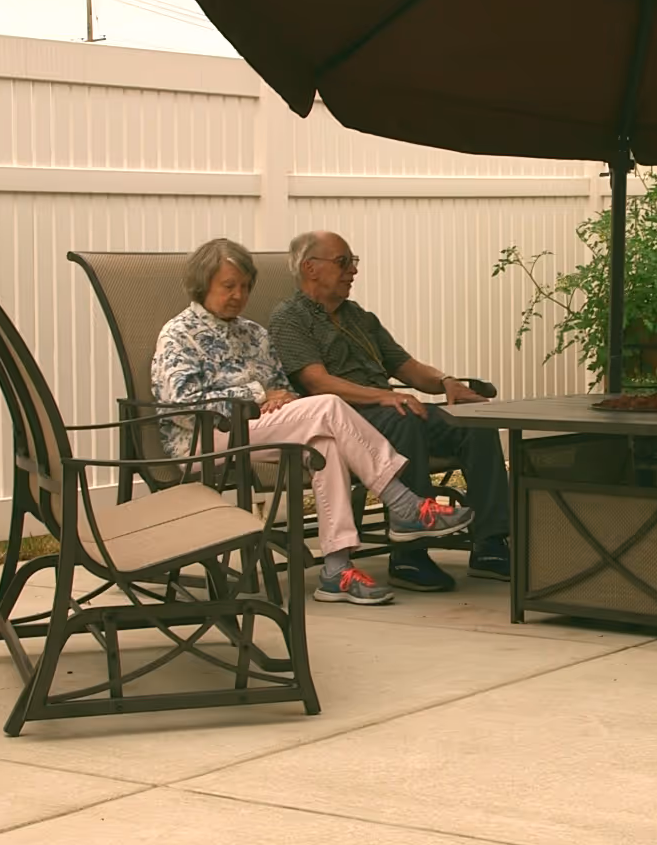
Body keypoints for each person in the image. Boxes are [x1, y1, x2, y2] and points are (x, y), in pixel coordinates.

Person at [151, 237, 475, 607]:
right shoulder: (179, 335)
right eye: (229, 286)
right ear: (202, 284)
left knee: (325, 441)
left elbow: (282, 389)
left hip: (257, 428)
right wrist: (257, 397)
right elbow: (179, 406)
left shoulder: (254, 333)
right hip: (204, 439)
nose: (239, 294)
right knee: (326, 408)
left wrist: (280, 397)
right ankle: (403, 503)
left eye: (244, 286)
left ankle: (336, 571)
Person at [267, 231, 511, 593]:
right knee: (403, 418)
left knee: (473, 424)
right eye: (343, 262)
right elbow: (317, 383)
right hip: (344, 423)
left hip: (389, 409)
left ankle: (490, 544)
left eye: (354, 262)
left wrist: (447, 382)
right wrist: (381, 396)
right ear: (310, 268)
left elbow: (407, 367)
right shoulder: (290, 319)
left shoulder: (359, 318)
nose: (353, 271)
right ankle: (409, 556)